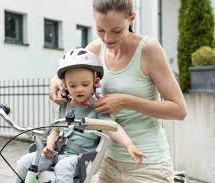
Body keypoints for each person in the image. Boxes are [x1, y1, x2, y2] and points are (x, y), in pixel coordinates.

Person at [49, 0, 187, 182]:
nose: (107, 39)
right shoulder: (94, 50)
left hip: (148, 165)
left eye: (116, 30)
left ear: (131, 18)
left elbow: (179, 110)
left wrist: (126, 101)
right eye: (100, 30)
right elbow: (65, 73)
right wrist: (55, 82)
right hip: (107, 163)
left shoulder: (148, 50)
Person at [16, 48, 147, 183]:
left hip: (79, 158)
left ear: (95, 82)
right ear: (65, 85)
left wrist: (129, 145)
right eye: (72, 85)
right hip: (56, 153)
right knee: (24, 162)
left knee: (63, 167)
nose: (79, 89)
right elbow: (54, 130)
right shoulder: (64, 105)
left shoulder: (98, 107)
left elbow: (112, 127)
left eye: (85, 84)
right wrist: (49, 146)